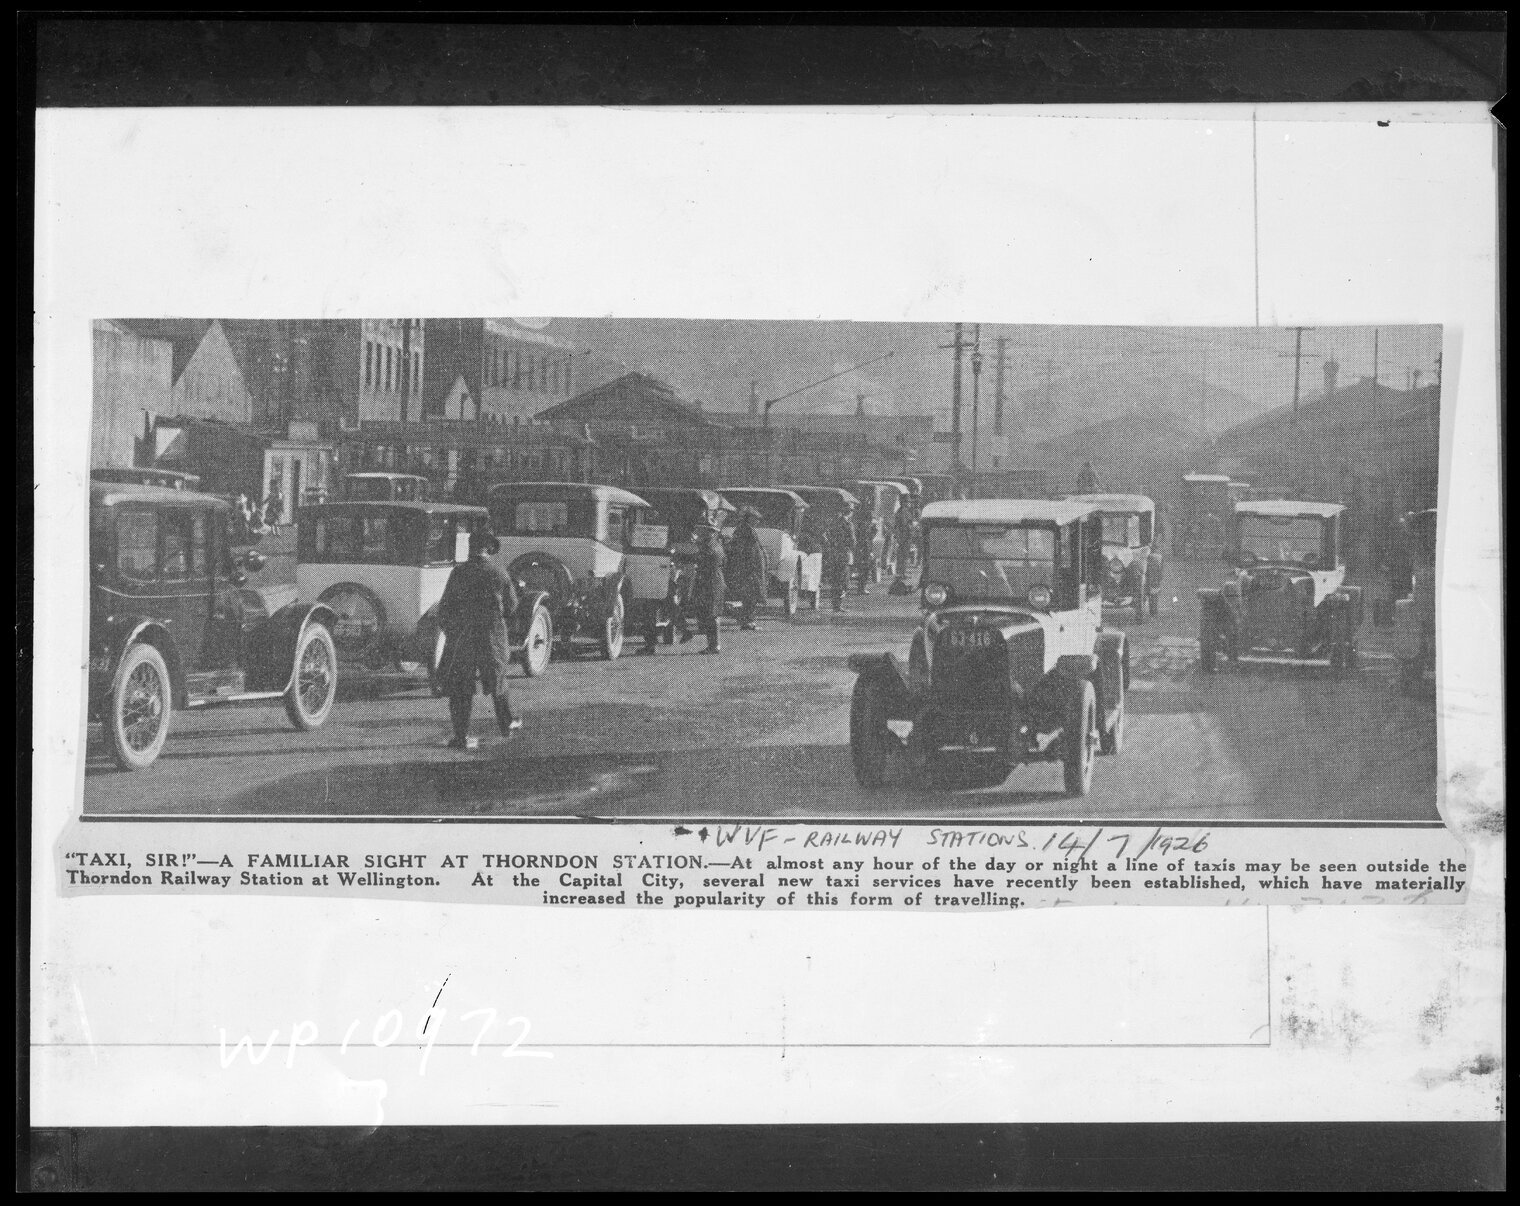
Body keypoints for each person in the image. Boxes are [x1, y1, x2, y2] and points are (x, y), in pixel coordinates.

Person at [436, 530, 522, 749]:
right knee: (498, 682)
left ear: (471, 547)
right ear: (489, 549)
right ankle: (506, 725)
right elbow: (512, 607)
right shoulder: (499, 572)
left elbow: (445, 607)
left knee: (460, 688)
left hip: (463, 637)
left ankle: (460, 737)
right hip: (491, 637)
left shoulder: (459, 573)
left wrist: (452, 632)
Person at [683, 521, 726, 653]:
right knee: (711, 613)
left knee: (710, 613)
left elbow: (697, 558)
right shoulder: (716, 543)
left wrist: (680, 555)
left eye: (701, 529)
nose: (698, 531)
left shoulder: (708, 545)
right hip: (714, 578)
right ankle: (713, 645)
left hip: (709, 580)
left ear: (708, 531)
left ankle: (714, 646)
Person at [727, 506, 769, 631]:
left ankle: (748, 620)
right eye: (755, 518)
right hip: (750, 569)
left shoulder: (746, 529)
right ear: (748, 518)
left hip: (752, 568)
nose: (757, 521)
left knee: (751, 596)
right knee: (750, 596)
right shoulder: (745, 530)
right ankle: (748, 621)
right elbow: (744, 551)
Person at [822, 508, 856, 613]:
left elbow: (826, 537)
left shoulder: (834, 523)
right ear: (850, 512)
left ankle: (835, 604)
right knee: (843, 580)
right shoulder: (848, 525)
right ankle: (838, 605)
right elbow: (853, 541)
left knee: (835, 580)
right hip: (844, 554)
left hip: (834, 554)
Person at [854, 507, 880, 595]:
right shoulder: (866, 527)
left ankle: (861, 588)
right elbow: (867, 540)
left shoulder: (862, 525)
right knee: (865, 570)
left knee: (863, 570)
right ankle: (861, 588)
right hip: (865, 551)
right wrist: (870, 552)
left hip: (862, 550)